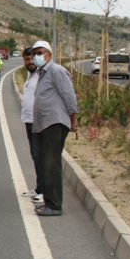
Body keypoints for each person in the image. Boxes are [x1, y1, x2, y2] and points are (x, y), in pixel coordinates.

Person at [30, 40, 79, 217]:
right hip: (45, 124)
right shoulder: (43, 73)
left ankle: (55, 205)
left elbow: (69, 95)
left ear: (49, 54)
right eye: (34, 53)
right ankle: (49, 201)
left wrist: (73, 118)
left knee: (51, 164)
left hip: (54, 123)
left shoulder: (56, 71)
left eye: (40, 52)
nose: (36, 56)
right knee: (46, 163)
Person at [20, 47, 43, 203]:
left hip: (40, 121)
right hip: (29, 120)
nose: (30, 62)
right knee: (35, 155)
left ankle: (44, 191)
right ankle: (39, 188)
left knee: (40, 156)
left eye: (32, 59)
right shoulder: (31, 75)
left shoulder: (44, 75)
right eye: (27, 59)